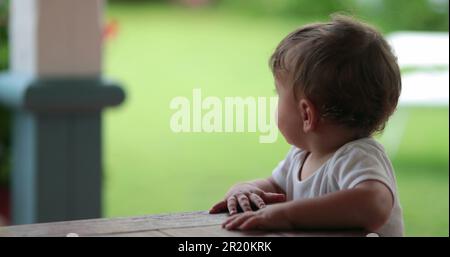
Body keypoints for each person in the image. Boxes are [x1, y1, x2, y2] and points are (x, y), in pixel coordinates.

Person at [209, 15, 404, 236]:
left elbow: (374, 204)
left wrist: (286, 215)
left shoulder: (358, 156)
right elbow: (275, 187)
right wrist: (246, 189)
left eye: (278, 94)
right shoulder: (301, 156)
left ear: (306, 114)